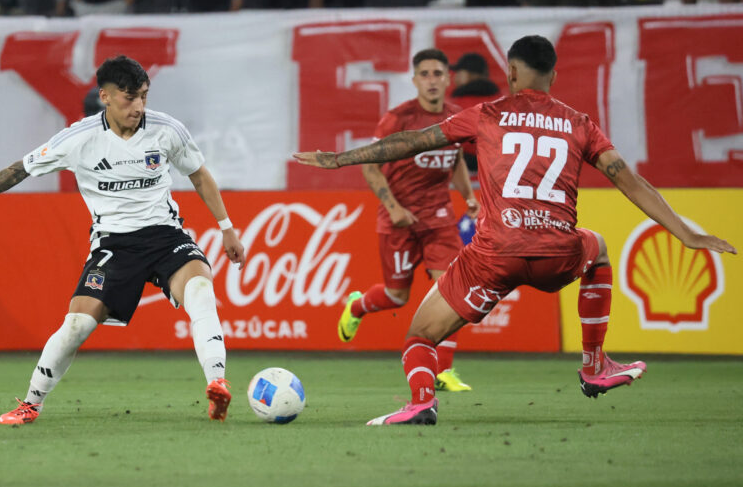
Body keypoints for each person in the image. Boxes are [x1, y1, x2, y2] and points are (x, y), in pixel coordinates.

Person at [294, 35, 737, 425]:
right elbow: (628, 180)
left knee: (419, 337)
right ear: (553, 75)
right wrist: (684, 232)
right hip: (557, 256)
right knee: (598, 247)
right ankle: (593, 364)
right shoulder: (580, 124)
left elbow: (411, 142)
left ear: (510, 70)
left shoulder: (486, 115)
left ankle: (421, 403)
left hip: (494, 257)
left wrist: (340, 159)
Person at [0, 55, 246, 425]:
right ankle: (30, 403)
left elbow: (199, 175)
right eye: (129, 98)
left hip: (165, 236)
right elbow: (22, 168)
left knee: (201, 292)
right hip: (113, 245)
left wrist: (226, 227)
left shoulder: (166, 130)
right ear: (105, 97)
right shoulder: (79, 139)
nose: (139, 107)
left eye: (144, 96)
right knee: (77, 325)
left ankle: (217, 385)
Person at [339, 48, 479, 392]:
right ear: (414, 80)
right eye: (425, 74)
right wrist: (393, 207)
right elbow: (370, 166)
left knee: (449, 288)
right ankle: (356, 306)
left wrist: (470, 196)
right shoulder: (397, 119)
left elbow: (456, 158)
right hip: (398, 219)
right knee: (396, 295)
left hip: (439, 217)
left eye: (438, 74)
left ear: (449, 79)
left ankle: (443, 371)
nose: (432, 80)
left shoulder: (455, 117)